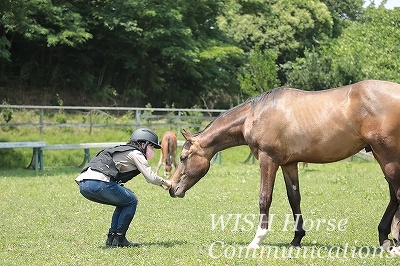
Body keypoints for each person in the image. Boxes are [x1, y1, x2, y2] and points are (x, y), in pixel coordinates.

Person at [75, 128, 172, 248]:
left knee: (123, 202)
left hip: (84, 184)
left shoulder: (121, 149)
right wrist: (166, 182)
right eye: (151, 147)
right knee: (131, 200)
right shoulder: (136, 153)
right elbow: (150, 177)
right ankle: (119, 238)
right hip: (98, 183)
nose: (152, 151)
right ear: (143, 143)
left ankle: (112, 239)